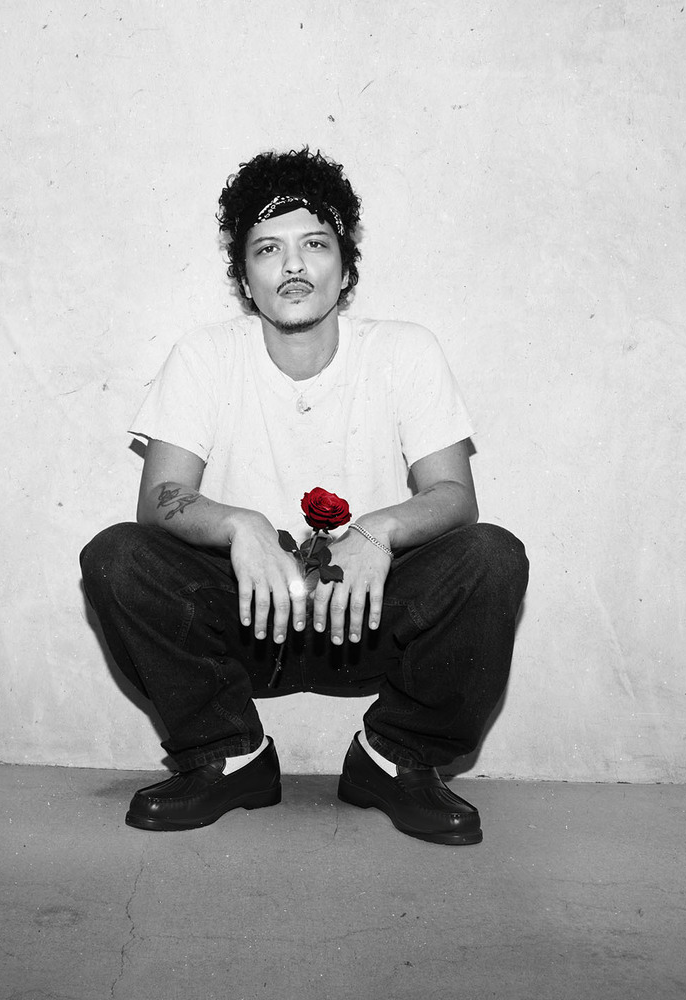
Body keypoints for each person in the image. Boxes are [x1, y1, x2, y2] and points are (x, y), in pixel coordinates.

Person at [80, 148, 529, 846]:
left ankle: (396, 759)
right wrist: (241, 526)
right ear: (245, 278)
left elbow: (454, 495)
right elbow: (160, 496)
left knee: (492, 557)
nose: (293, 265)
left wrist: (377, 531)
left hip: (366, 619)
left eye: (314, 244)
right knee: (116, 556)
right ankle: (229, 758)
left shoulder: (405, 351)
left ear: (345, 269)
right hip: (247, 621)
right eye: (268, 249)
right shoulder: (204, 355)